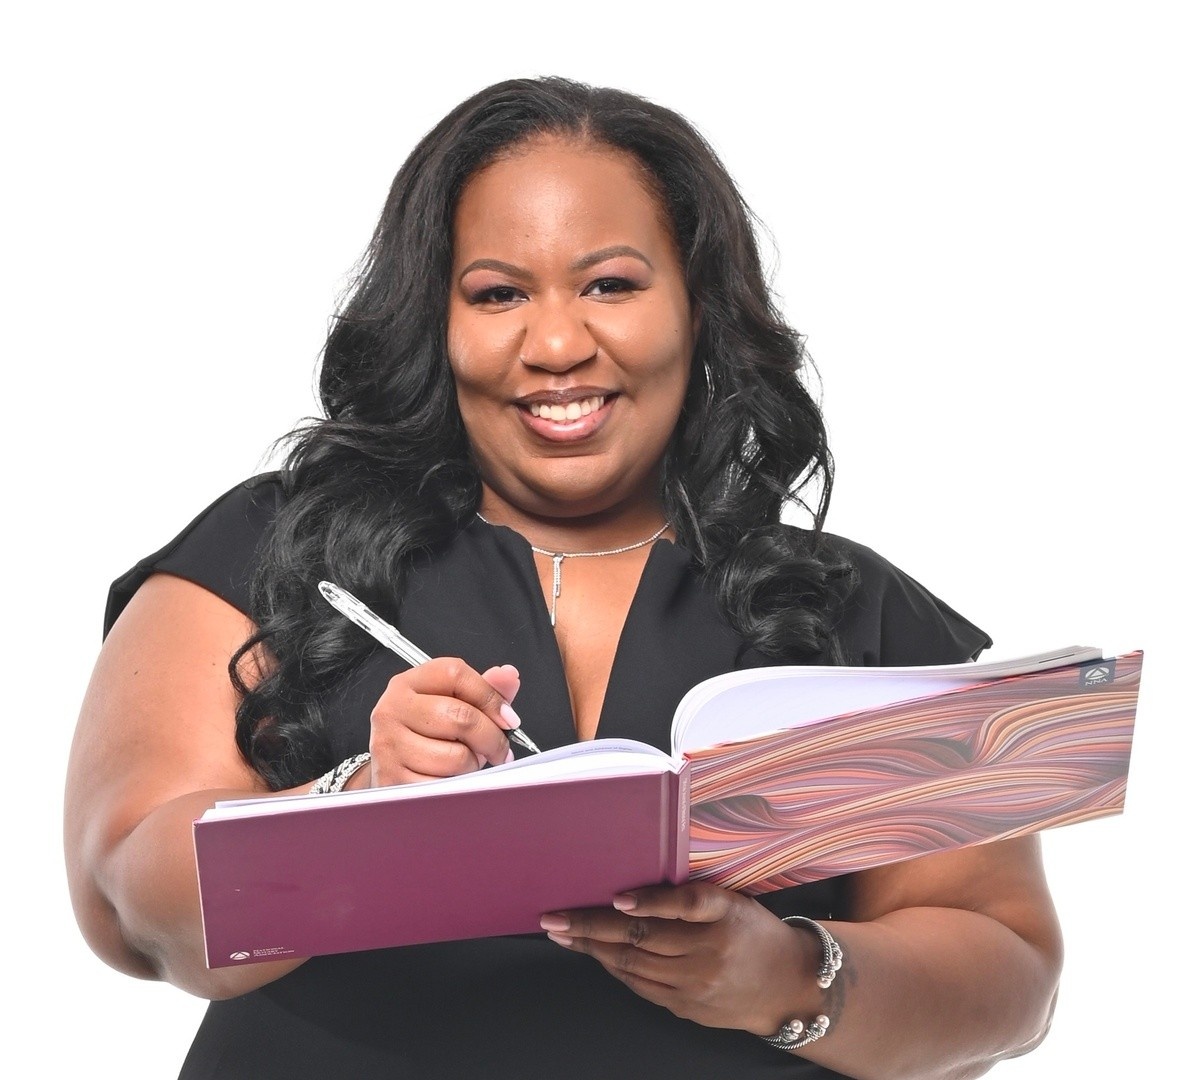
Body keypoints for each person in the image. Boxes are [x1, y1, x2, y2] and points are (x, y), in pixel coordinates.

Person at [65, 77, 1063, 1079]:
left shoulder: (857, 613)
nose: (555, 346)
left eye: (611, 286)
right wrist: (359, 804)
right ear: (433, 320)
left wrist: (786, 975)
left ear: (698, 307)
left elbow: (1009, 980)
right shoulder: (273, 551)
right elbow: (126, 910)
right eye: (497, 294)